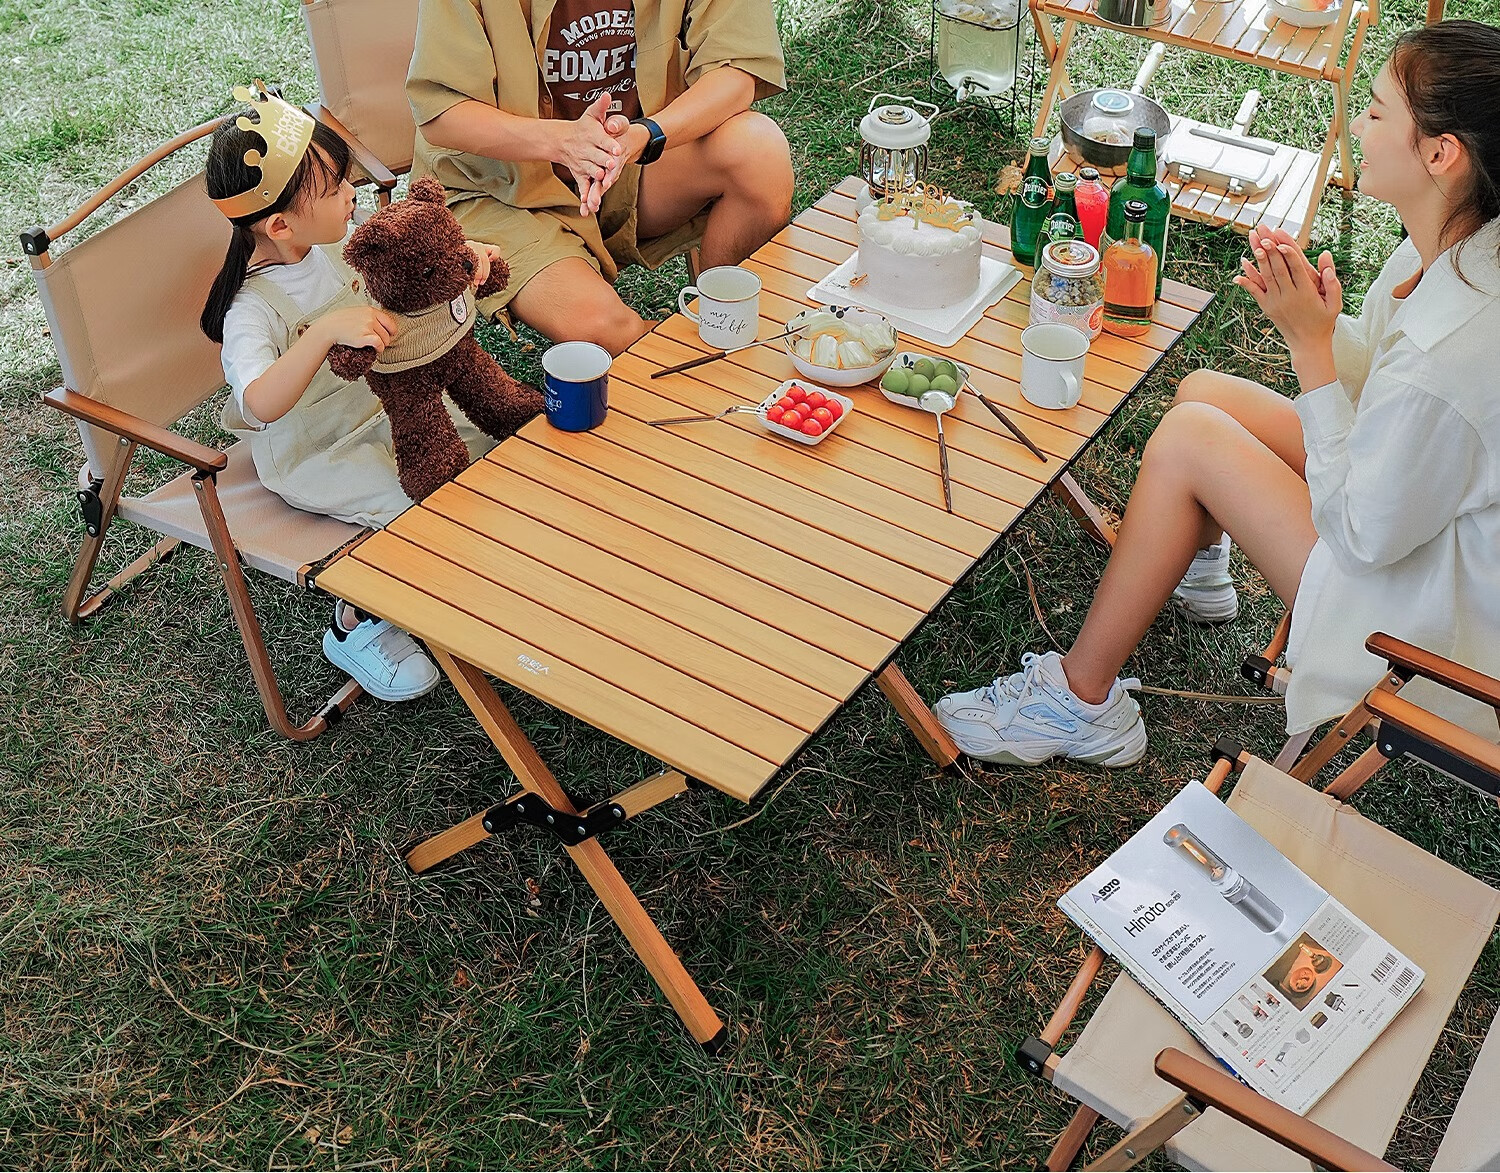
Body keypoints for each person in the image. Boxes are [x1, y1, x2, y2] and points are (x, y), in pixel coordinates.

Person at [933, 20, 1500, 766]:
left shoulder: (1449, 350)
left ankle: (1082, 702)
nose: (1357, 129)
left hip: (1421, 624)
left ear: (1440, 153)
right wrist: (1322, 324)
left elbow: (1365, 532)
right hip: (1419, 529)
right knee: (1205, 392)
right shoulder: (1462, 245)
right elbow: (1385, 395)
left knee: (1189, 441)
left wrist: (1310, 348)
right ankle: (1193, 564)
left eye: (1374, 112)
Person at [201, 84, 507, 702]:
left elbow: (413, 265)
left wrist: (464, 257)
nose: (354, 193)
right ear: (280, 223)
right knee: (416, 505)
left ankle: (492, 573)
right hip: (316, 450)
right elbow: (259, 403)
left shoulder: (343, 241)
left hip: (388, 409)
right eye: (337, 187)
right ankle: (358, 620)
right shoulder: (250, 309)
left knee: (492, 458)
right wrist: (320, 336)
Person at [406, 0, 795, 356]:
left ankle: (726, 327)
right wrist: (564, 142)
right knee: (602, 328)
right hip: (496, 189)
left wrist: (644, 136)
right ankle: (712, 375)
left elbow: (737, 71)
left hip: (628, 159)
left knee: (759, 153)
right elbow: (443, 112)